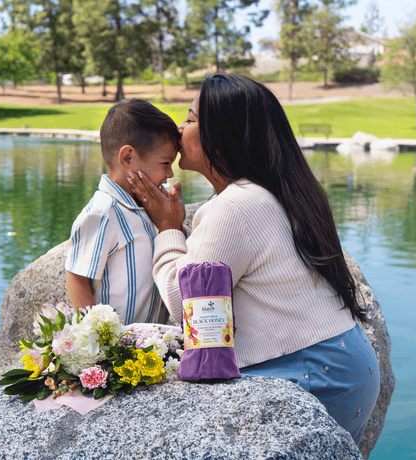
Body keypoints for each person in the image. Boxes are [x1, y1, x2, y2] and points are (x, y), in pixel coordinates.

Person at [128, 74, 380, 444]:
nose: (180, 129)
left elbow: (186, 305)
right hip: (342, 361)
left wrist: (168, 229)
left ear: (222, 135)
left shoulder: (235, 206)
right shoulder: (272, 190)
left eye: (192, 118)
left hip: (314, 374)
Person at [65, 98, 180, 325]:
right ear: (127, 158)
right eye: (165, 163)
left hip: (148, 350)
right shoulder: (103, 213)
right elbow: (77, 277)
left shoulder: (146, 207)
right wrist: (99, 338)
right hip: (118, 351)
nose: (170, 174)